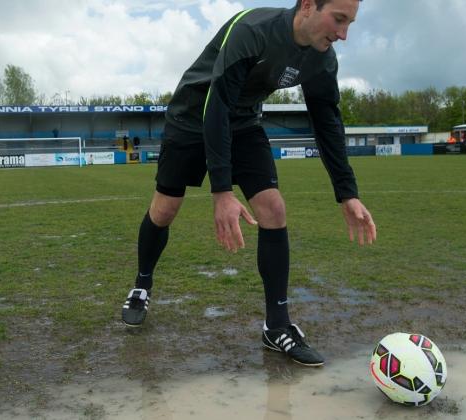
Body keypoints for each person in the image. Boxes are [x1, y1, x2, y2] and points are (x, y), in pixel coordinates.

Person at [121, 0, 376, 367]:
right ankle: (142, 285)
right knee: (164, 210)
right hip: (194, 118)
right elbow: (217, 104)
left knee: (273, 208)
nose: (343, 34)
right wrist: (221, 191)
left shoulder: (322, 58)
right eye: (338, 20)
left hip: (243, 123)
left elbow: (328, 122)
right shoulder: (253, 31)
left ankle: (277, 326)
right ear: (307, 6)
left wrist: (347, 193)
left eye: (349, 23)